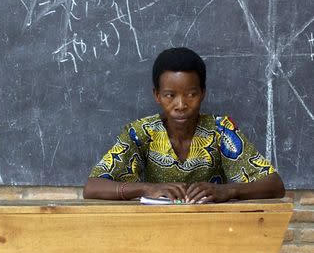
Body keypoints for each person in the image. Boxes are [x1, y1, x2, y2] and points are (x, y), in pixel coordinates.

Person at [83, 47, 285, 203]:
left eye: (191, 94)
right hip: (155, 230)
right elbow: (92, 187)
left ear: (203, 93)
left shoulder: (220, 130)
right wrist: (146, 189)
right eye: (170, 95)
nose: (181, 105)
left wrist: (228, 190)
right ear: (157, 96)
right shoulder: (141, 132)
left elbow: (275, 185)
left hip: (214, 231)